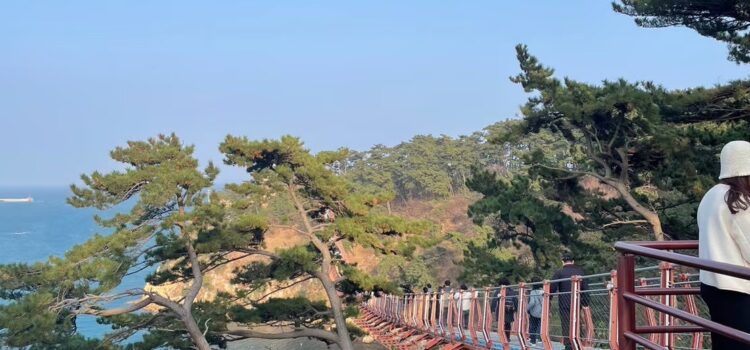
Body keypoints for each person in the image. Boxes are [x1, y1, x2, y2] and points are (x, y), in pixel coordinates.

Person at [698, 141, 750, 350]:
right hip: (739, 288)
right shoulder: (739, 201)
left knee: (725, 342)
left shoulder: (712, 195)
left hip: (712, 284)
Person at [550, 254, 588, 350]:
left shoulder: (560, 272)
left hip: (564, 303)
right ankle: (578, 342)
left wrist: (549, 298)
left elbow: (552, 287)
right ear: (573, 261)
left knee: (566, 323)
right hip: (577, 302)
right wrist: (586, 303)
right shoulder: (580, 272)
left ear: (562, 262)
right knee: (577, 322)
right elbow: (586, 288)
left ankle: (569, 345)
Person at [527, 277, 544, 345]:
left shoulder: (533, 292)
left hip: (534, 312)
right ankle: (540, 339)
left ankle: (533, 341)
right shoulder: (543, 291)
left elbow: (532, 302)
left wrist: (527, 308)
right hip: (542, 312)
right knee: (541, 326)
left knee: (533, 326)